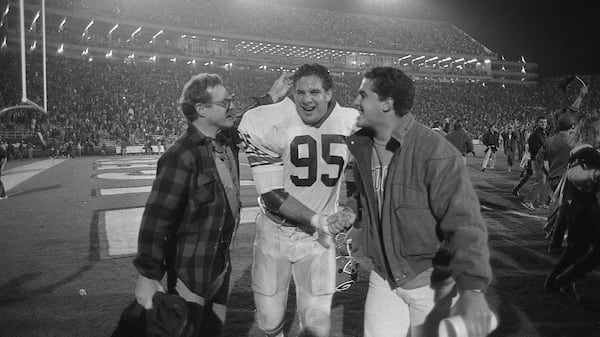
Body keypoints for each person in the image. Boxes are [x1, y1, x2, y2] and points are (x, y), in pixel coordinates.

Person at [133, 72, 291, 336]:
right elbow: (156, 219)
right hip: (190, 268)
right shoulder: (180, 156)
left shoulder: (225, 139)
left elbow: (246, 119)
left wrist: (271, 96)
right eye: (225, 102)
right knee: (189, 330)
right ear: (202, 109)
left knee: (212, 330)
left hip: (219, 263)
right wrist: (148, 276)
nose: (232, 106)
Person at [346, 67, 493, 337]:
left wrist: (472, 289)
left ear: (387, 103)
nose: (356, 102)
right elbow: (370, 196)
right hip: (384, 275)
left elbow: (464, 222)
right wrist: (351, 213)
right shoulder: (363, 146)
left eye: (363, 95)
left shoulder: (434, 150)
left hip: (431, 281)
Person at [238, 63, 359, 337]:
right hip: (275, 231)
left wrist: (350, 212)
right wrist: (321, 220)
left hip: (319, 240)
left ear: (329, 93)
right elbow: (270, 195)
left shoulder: (353, 123)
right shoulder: (268, 121)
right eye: (300, 92)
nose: (306, 99)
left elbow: (361, 183)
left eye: (315, 92)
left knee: (316, 326)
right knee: (268, 321)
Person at [544, 116, 600, 304]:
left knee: (577, 248)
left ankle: (554, 281)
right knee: (591, 249)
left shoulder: (583, 150)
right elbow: (575, 174)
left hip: (574, 207)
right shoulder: (587, 152)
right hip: (582, 210)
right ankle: (565, 279)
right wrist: (596, 175)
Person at [538, 113, 576, 253]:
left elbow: (540, 159)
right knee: (567, 209)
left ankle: (552, 231)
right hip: (567, 179)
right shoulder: (573, 141)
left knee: (561, 206)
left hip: (553, 179)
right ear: (572, 126)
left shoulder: (550, 140)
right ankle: (553, 231)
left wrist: (548, 174)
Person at [521, 115, 549, 211]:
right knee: (541, 181)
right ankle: (528, 201)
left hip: (544, 160)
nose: (543, 124)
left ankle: (541, 202)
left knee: (546, 182)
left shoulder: (544, 133)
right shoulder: (535, 135)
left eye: (545, 122)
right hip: (537, 160)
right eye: (541, 122)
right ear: (537, 123)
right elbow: (535, 149)